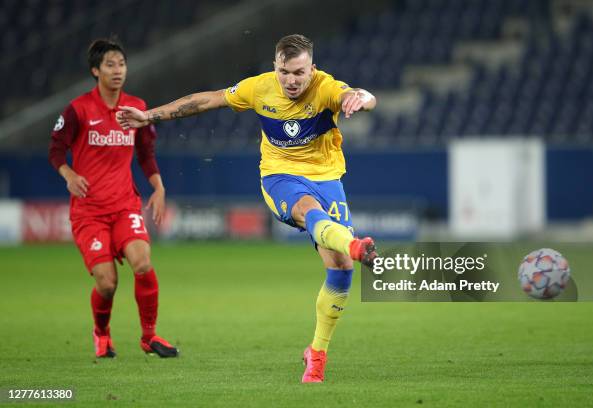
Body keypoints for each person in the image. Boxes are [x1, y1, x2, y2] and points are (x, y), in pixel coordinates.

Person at [117, 34, 377, 381]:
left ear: (311, 69)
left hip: (328, 177)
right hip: (280, 177)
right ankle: (354, 243)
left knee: (342, 270)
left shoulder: (325, 86)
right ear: (275, 67)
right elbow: (209, 100)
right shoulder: (259, 88)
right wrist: (149, 116)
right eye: (285, 72)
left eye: (299, 72)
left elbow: (360, 96)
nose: (292, 80)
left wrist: (360, 97)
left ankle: (316, 352)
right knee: (307, 207)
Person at [49, 38, 178, 359]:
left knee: (143, 262)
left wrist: (158, 187)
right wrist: (69, 174)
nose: (117, 70)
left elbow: (145, 153)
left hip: (124, 205)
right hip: (89, 211)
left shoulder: (135, 107)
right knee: (107, 284)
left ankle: (149, 337)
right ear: (95, 70)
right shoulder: (78, 109)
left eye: (121, 63)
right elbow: (55, 149)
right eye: (110, 64)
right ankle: (101, 334)